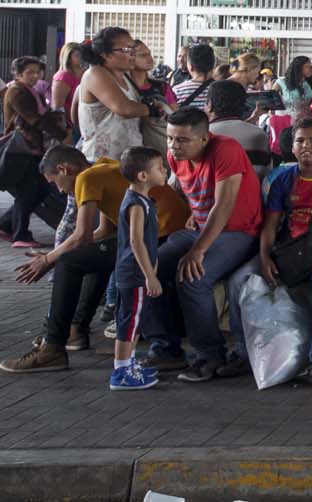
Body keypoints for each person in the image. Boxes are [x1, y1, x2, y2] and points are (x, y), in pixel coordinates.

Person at [0, 147, 188, 372]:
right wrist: (56, 255)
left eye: (55, 182)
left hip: (159, 235)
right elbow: (100, 232)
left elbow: (82, 235)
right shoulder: (101, 167)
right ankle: (76, 329)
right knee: (86, 257)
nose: (58, 189)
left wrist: (48, 258)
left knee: (69, 261)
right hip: (165, 231)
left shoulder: (86, 178)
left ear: (64, 169)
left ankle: (53, 347)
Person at [226, 117, 312, 388]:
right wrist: (264, 258)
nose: (306, 146)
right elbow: (271, 224)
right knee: (238, 280)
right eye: (300, 141)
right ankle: (242, 349)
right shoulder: (283, 180)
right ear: (292, 147)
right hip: (287, 249)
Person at [140, 107, 264, 380]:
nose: (174, 146)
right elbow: (185, 194)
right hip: (203, 230)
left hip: (239, 232)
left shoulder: (226, 150)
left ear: (204, 139)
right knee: (149, 268)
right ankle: (166, 349)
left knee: (192, 277)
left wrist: (197, 251)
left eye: (182, 140)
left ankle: (209, 354)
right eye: (171, 138)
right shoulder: (174, 157)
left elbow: (224, 204)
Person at [108, 146, 166, 392]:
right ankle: (121, 371)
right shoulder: (136, 204)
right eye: (160, 168)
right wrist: (150, 275)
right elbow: (135, 241)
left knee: (133, 320)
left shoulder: (141, 199)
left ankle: (128, 364)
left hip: (133, 272)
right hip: (134, 274)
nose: (165, 172)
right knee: (129, 322)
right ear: (143, 175)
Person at [1, 56, 66, 248]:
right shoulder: (17, 91)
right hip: (24, 149)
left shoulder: (30, 90)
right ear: (18, 74)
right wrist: (62, 134)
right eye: (30, 72)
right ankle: (20, 235)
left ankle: (7, 225)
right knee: (28, 191)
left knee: (39, 190)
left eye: (38, 72)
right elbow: (34, 119)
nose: (35, 76)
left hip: (33, 148)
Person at [76, 27, 150, 164]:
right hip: (101, 161)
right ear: (106, 54)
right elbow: (124, 109)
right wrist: (152, 109)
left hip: (128, 161)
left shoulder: (127, 78)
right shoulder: (95, 73)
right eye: (127, 50)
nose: (133, 54)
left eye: (134, 48)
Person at [207, 80, 273, 177]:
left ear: (210, 105)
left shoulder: (202, 135)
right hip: (252, 190)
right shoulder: (259, 135)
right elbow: (265, 173)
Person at [127, 40, 174, 153]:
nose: (150, 58)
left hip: (158, 146)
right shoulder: (123, 88)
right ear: (130, 58)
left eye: (149, 54)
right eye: (143, 55)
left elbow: (173, 115)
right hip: (129, 145)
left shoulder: (162, 86)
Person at [51, 42, 84, 137]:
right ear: (68, 58)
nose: (81, 58)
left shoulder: (85, 73)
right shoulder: (64, 76)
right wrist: (63, 130)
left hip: (83, 123)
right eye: (77, 55)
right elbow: (57, 106)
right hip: (70, 126)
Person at [171, 44, 217, 111]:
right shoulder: (221, 90)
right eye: (179, 56)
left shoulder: (177, 91)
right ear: (213, 64)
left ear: (191, 66)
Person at [277, 56, 312, 122]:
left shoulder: (309, 83)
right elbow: (270, 100)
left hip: (304, 121)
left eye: (310, 66)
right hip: (285, 121)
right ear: (298, 68)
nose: (310, 68)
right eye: (307, 66)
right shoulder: (282, 82)